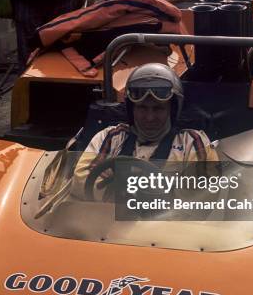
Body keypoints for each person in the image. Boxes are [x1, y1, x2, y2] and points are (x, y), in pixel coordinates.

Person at [74, 63, 218, 197]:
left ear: (172, 110)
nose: (149, 118)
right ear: (132, 109)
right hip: (109, 220)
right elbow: (80, 181)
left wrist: (133, 189)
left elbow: (205, 193)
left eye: (158, 108)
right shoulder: (111, 137)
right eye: (142, 108)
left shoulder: (192, 141)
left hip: (169, 222)